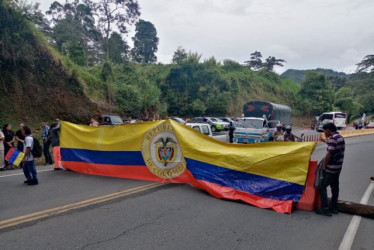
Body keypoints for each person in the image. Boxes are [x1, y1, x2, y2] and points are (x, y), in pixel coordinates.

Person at [316, 123, 345, 216]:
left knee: (322, 187)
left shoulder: (332, 138)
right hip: (338, 167)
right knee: (335, 187)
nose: (324, 133)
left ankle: (325, 208)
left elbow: (329, 154)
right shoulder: (339, 137)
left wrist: (324, 165)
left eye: (324, 131)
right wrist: (325, 141)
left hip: (331, 168)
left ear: (328, 130)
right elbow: (334, 146)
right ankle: (333, 207)